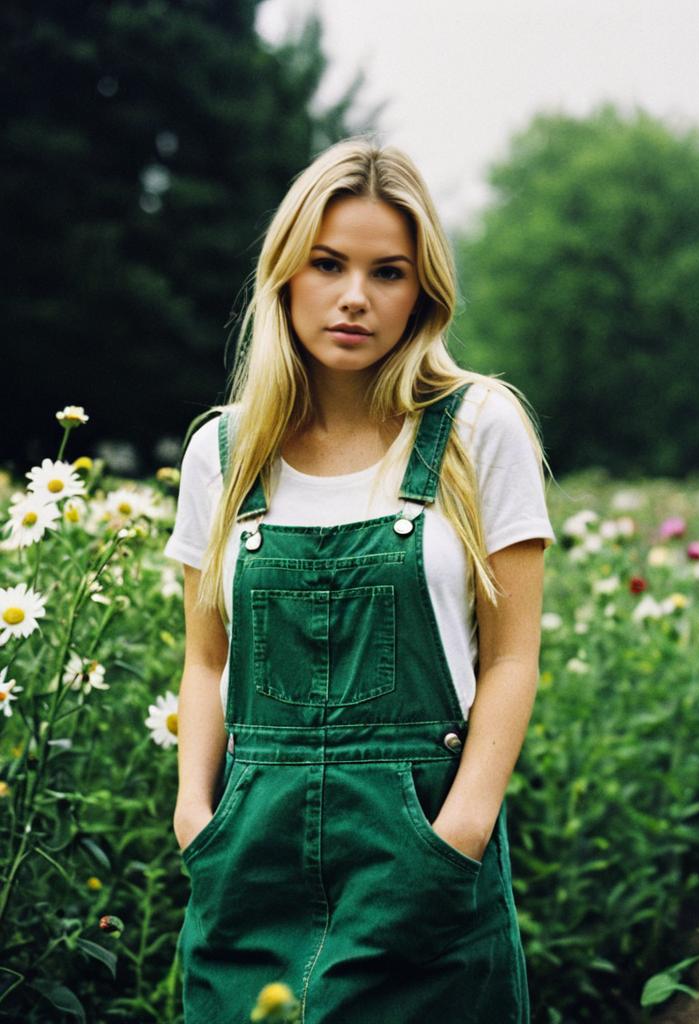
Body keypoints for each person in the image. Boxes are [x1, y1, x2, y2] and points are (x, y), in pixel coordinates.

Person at [163, 135, 556, 1024]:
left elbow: (513, 659)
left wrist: (458, 835)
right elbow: (202, 660)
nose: (354, 298)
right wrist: (197, 816)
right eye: (329, 263)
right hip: (246, 863)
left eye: (388, 272)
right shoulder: (219, 456)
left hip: (418, 860)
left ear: (423, 291)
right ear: (285, 274)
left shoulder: (477, 430)